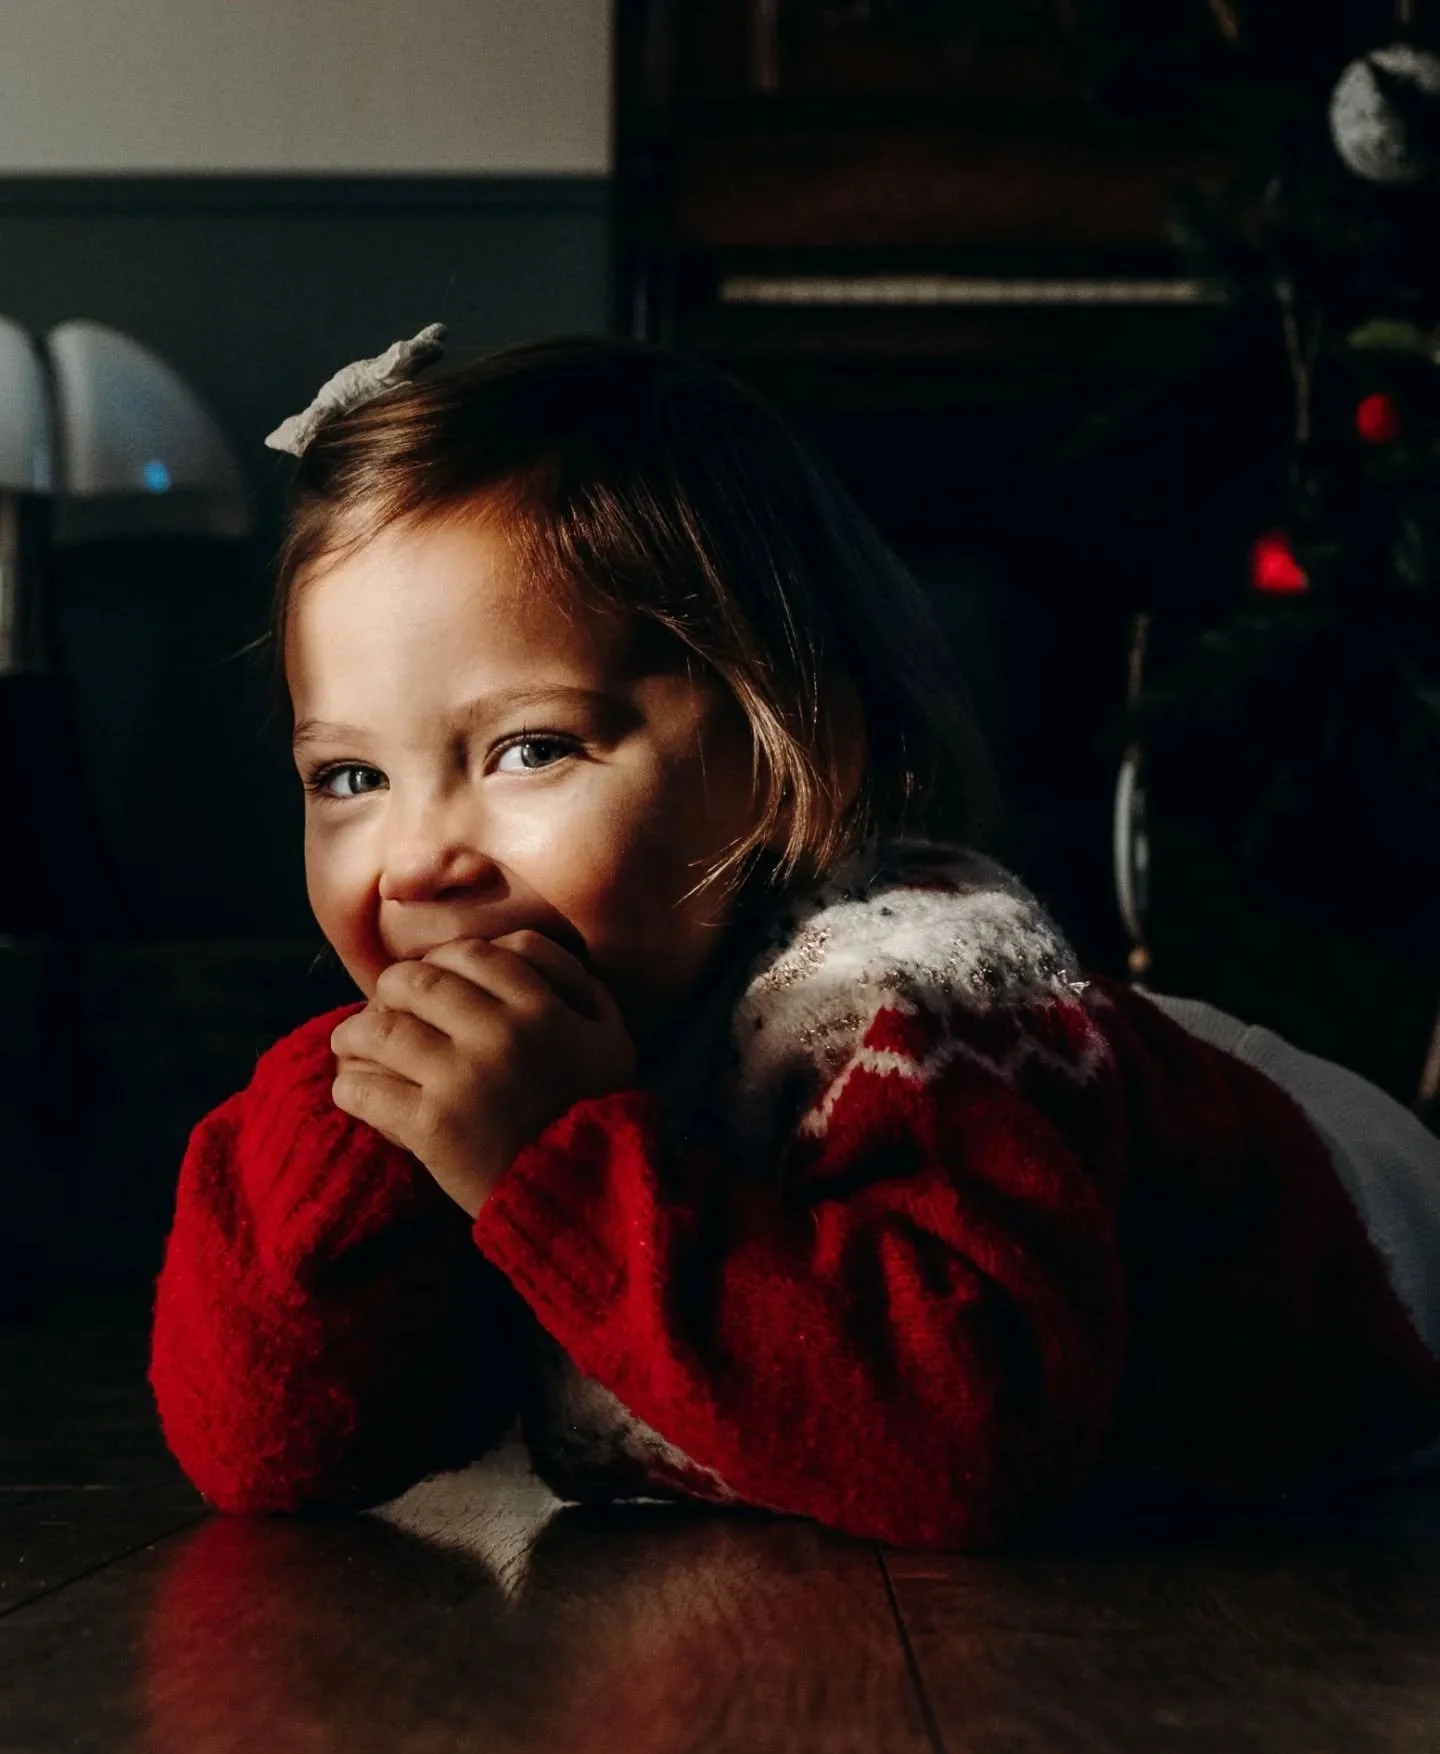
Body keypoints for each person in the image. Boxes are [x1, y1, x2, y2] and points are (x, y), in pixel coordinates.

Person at [149, 330, 1440, 1550]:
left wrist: (552, 1164)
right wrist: (351, 1142)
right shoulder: (482, 1044)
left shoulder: (914, 995)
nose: (418, 856)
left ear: (792, 755)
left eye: (530, 749)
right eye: (350, 779)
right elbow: (263, 1456)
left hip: (1360, 1259)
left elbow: (970, 1447)